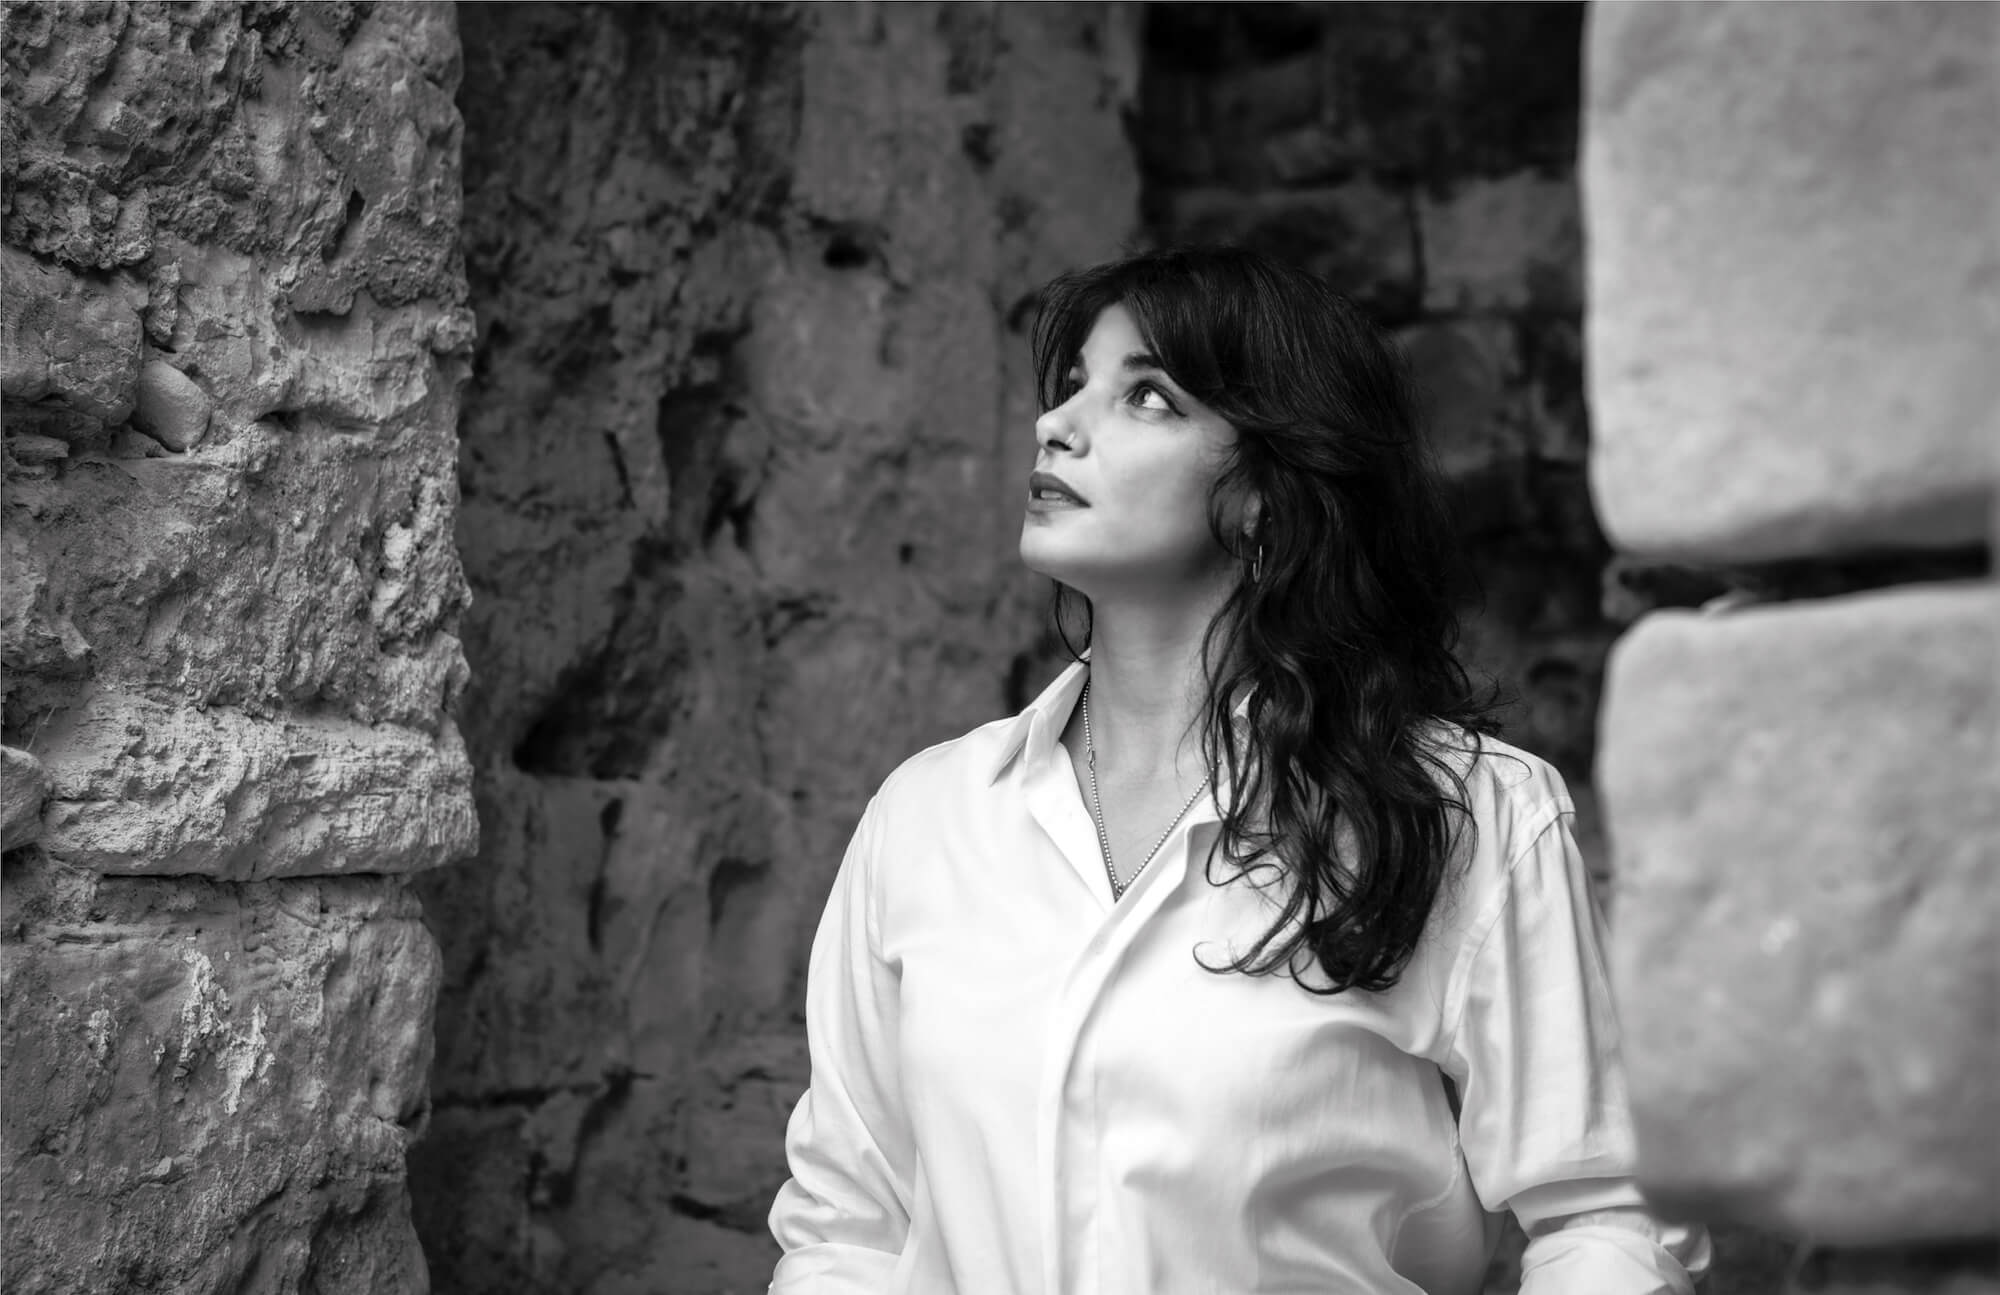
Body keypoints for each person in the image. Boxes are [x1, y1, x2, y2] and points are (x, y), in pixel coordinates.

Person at [767, 246, 1710, 1294]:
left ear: (1265, 493)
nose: (1056, 424)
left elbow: (1604, 1218)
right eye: (1070, 383)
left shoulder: (1467, 813)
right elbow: (849, 1228)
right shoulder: (927, 815)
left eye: (1147, 396)